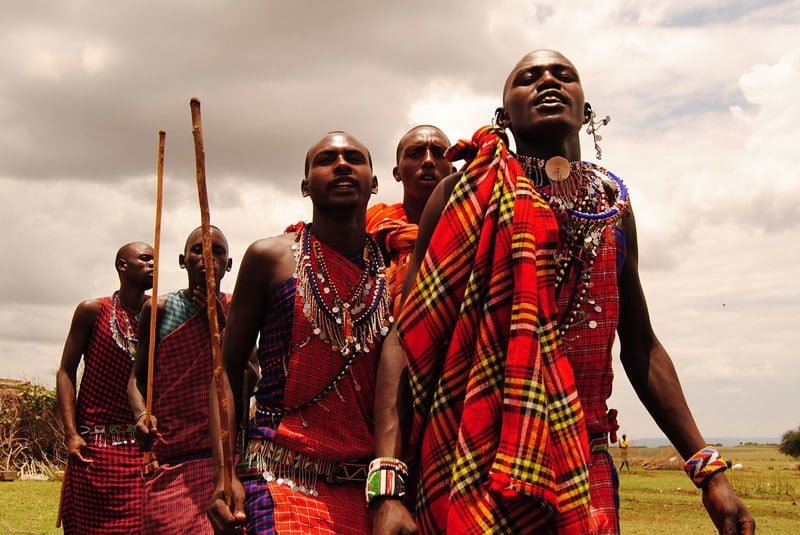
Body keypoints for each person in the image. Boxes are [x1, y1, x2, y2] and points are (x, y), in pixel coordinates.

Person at [373, 50, 755, 534]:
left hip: (585, 459)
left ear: (585, 107)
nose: (548, 82)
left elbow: (641, 346)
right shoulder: (462, 195)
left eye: (564, 75)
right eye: (528, 78)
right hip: (470, 453)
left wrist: (708, 470)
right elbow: (406, 339)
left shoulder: (613, 206)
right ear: (504, 114)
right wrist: (387, 480)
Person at [207, 131, 394, 534]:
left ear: (374, 183)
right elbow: (227, 369)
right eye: (327, 159)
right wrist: (225, 474)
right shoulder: (269, 258)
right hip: (280, 476)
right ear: (306, 185)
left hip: (364, 489)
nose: (342, 165)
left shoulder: (395, 270)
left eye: (354, 159)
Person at [128, 226, 232, 534]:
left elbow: (249, 374)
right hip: (172, 456)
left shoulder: (237, 307)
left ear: (229, 264)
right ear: (182, 260)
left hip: (224, 460)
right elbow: (136, 378)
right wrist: (141, 415)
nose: (207, 259)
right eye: (198, 250)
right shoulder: (159, 309)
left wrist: (219, 323)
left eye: (218, 252)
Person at [56, 242, 154, 534]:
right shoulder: (93, 311)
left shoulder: (159, 312)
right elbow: (66, 371)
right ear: (122, 265)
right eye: (146, 259)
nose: (153, 265)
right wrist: (71, 434)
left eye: (156, 260)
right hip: (94, 449)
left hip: (142, 448)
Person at [366, 125, 454, 314]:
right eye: (415, 154)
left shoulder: (470, 232)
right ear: (397, 173)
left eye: (439, 154)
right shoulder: (372, 228)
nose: (429, 161)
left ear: (453, 171)